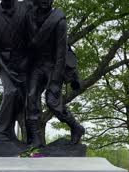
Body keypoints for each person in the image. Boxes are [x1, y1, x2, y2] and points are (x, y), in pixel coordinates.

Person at [24, 0, 85, 147]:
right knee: (31, 97)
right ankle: (36, 139)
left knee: (52, 101)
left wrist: (56, 81)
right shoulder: (30, 16)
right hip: (37, 65)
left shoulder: (59, 21)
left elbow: (61, 53)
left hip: (53, 65)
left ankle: (76, 127)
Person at [0, 0, 31, 142]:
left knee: (25, 99)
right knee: (11, 92)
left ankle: (9, 131)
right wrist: (6, 70)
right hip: (4, 62)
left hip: (26, 60)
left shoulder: (26, 6)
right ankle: (0, 130)